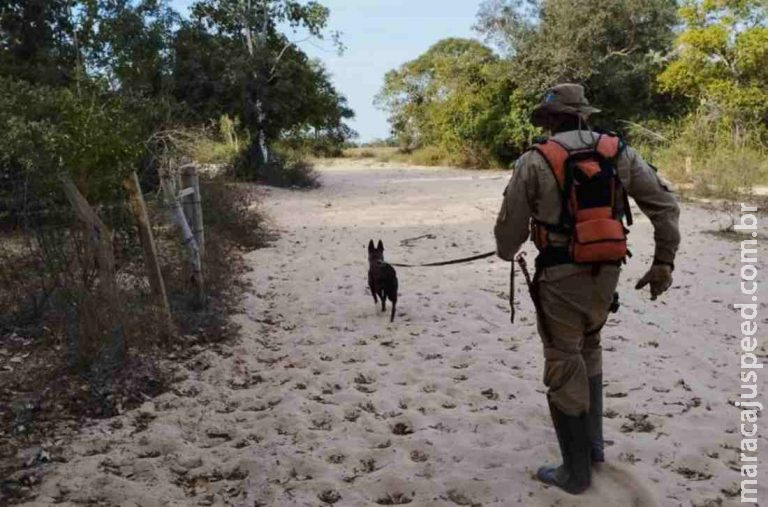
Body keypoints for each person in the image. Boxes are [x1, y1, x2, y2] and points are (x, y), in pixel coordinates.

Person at [494, 83, 680, 494]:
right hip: (608, 268)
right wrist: (663, 261)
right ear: (584, 116)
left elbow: (508, 242)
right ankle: (593, 451)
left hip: (560, 275)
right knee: (590, 346)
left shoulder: (535, 160)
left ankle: (574, 474)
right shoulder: (618, 151)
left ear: (550, 120)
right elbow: (665, 206)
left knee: (563, 361)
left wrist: (512, 246)